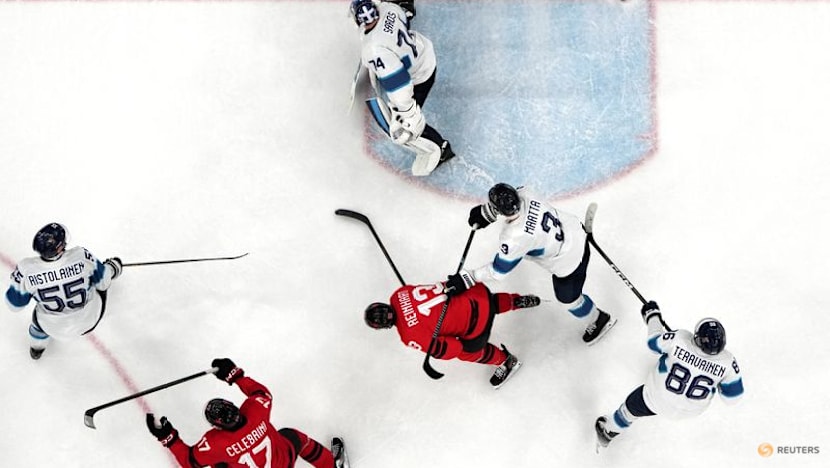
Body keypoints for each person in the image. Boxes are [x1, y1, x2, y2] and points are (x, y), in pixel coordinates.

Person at [446, 183, 616, 345]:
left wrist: (468, 278)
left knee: (568, 299)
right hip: (575, 230)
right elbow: (512, 200)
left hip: (569, 262)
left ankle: (598, 319)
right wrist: (487, 213)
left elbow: (498, 272)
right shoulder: (527, 192)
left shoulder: (514, 237)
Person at [146, 358, 350, 468]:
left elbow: (190, 462)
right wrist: (234, 375)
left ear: (217, 426)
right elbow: (261, 392)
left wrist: (168, 437)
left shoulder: (214, 443)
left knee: (218, 465)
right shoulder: (255, 410)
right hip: (284, 462)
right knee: (293, 436)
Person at [594, 301, 744, 449]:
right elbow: (732, 399)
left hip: (656, 399)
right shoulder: (728, 362)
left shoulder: (680, 339)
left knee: (630, 408)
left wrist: (652, 316)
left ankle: (609, 431)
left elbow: (653, 344)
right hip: (691, 410)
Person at [364, 279, 541, 388]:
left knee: (465, 351)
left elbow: (451, 349)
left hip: (476, 326)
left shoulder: (408, 336)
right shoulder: (399, 293)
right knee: (479, 300)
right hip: (478, 293)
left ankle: (506, 361)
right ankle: (515, 301)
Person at [350, 0, 455, 176]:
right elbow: (402, 23)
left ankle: (440, 149)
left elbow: (399, 83)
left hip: (419, 76)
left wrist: (406, 113)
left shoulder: (373, 50)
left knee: (402, 130)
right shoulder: (390, 8)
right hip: (423, 52)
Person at [4, 222, 123, 360]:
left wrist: (20, 282)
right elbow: (103, 283)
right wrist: (112, 267)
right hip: (91, 319)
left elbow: (14, 305)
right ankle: (112, 268)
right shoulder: (80, 255)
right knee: (97, 279)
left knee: (38, 319)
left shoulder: (27, 269)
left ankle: (37, 347)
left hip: (52, 328)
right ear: (59, 248)